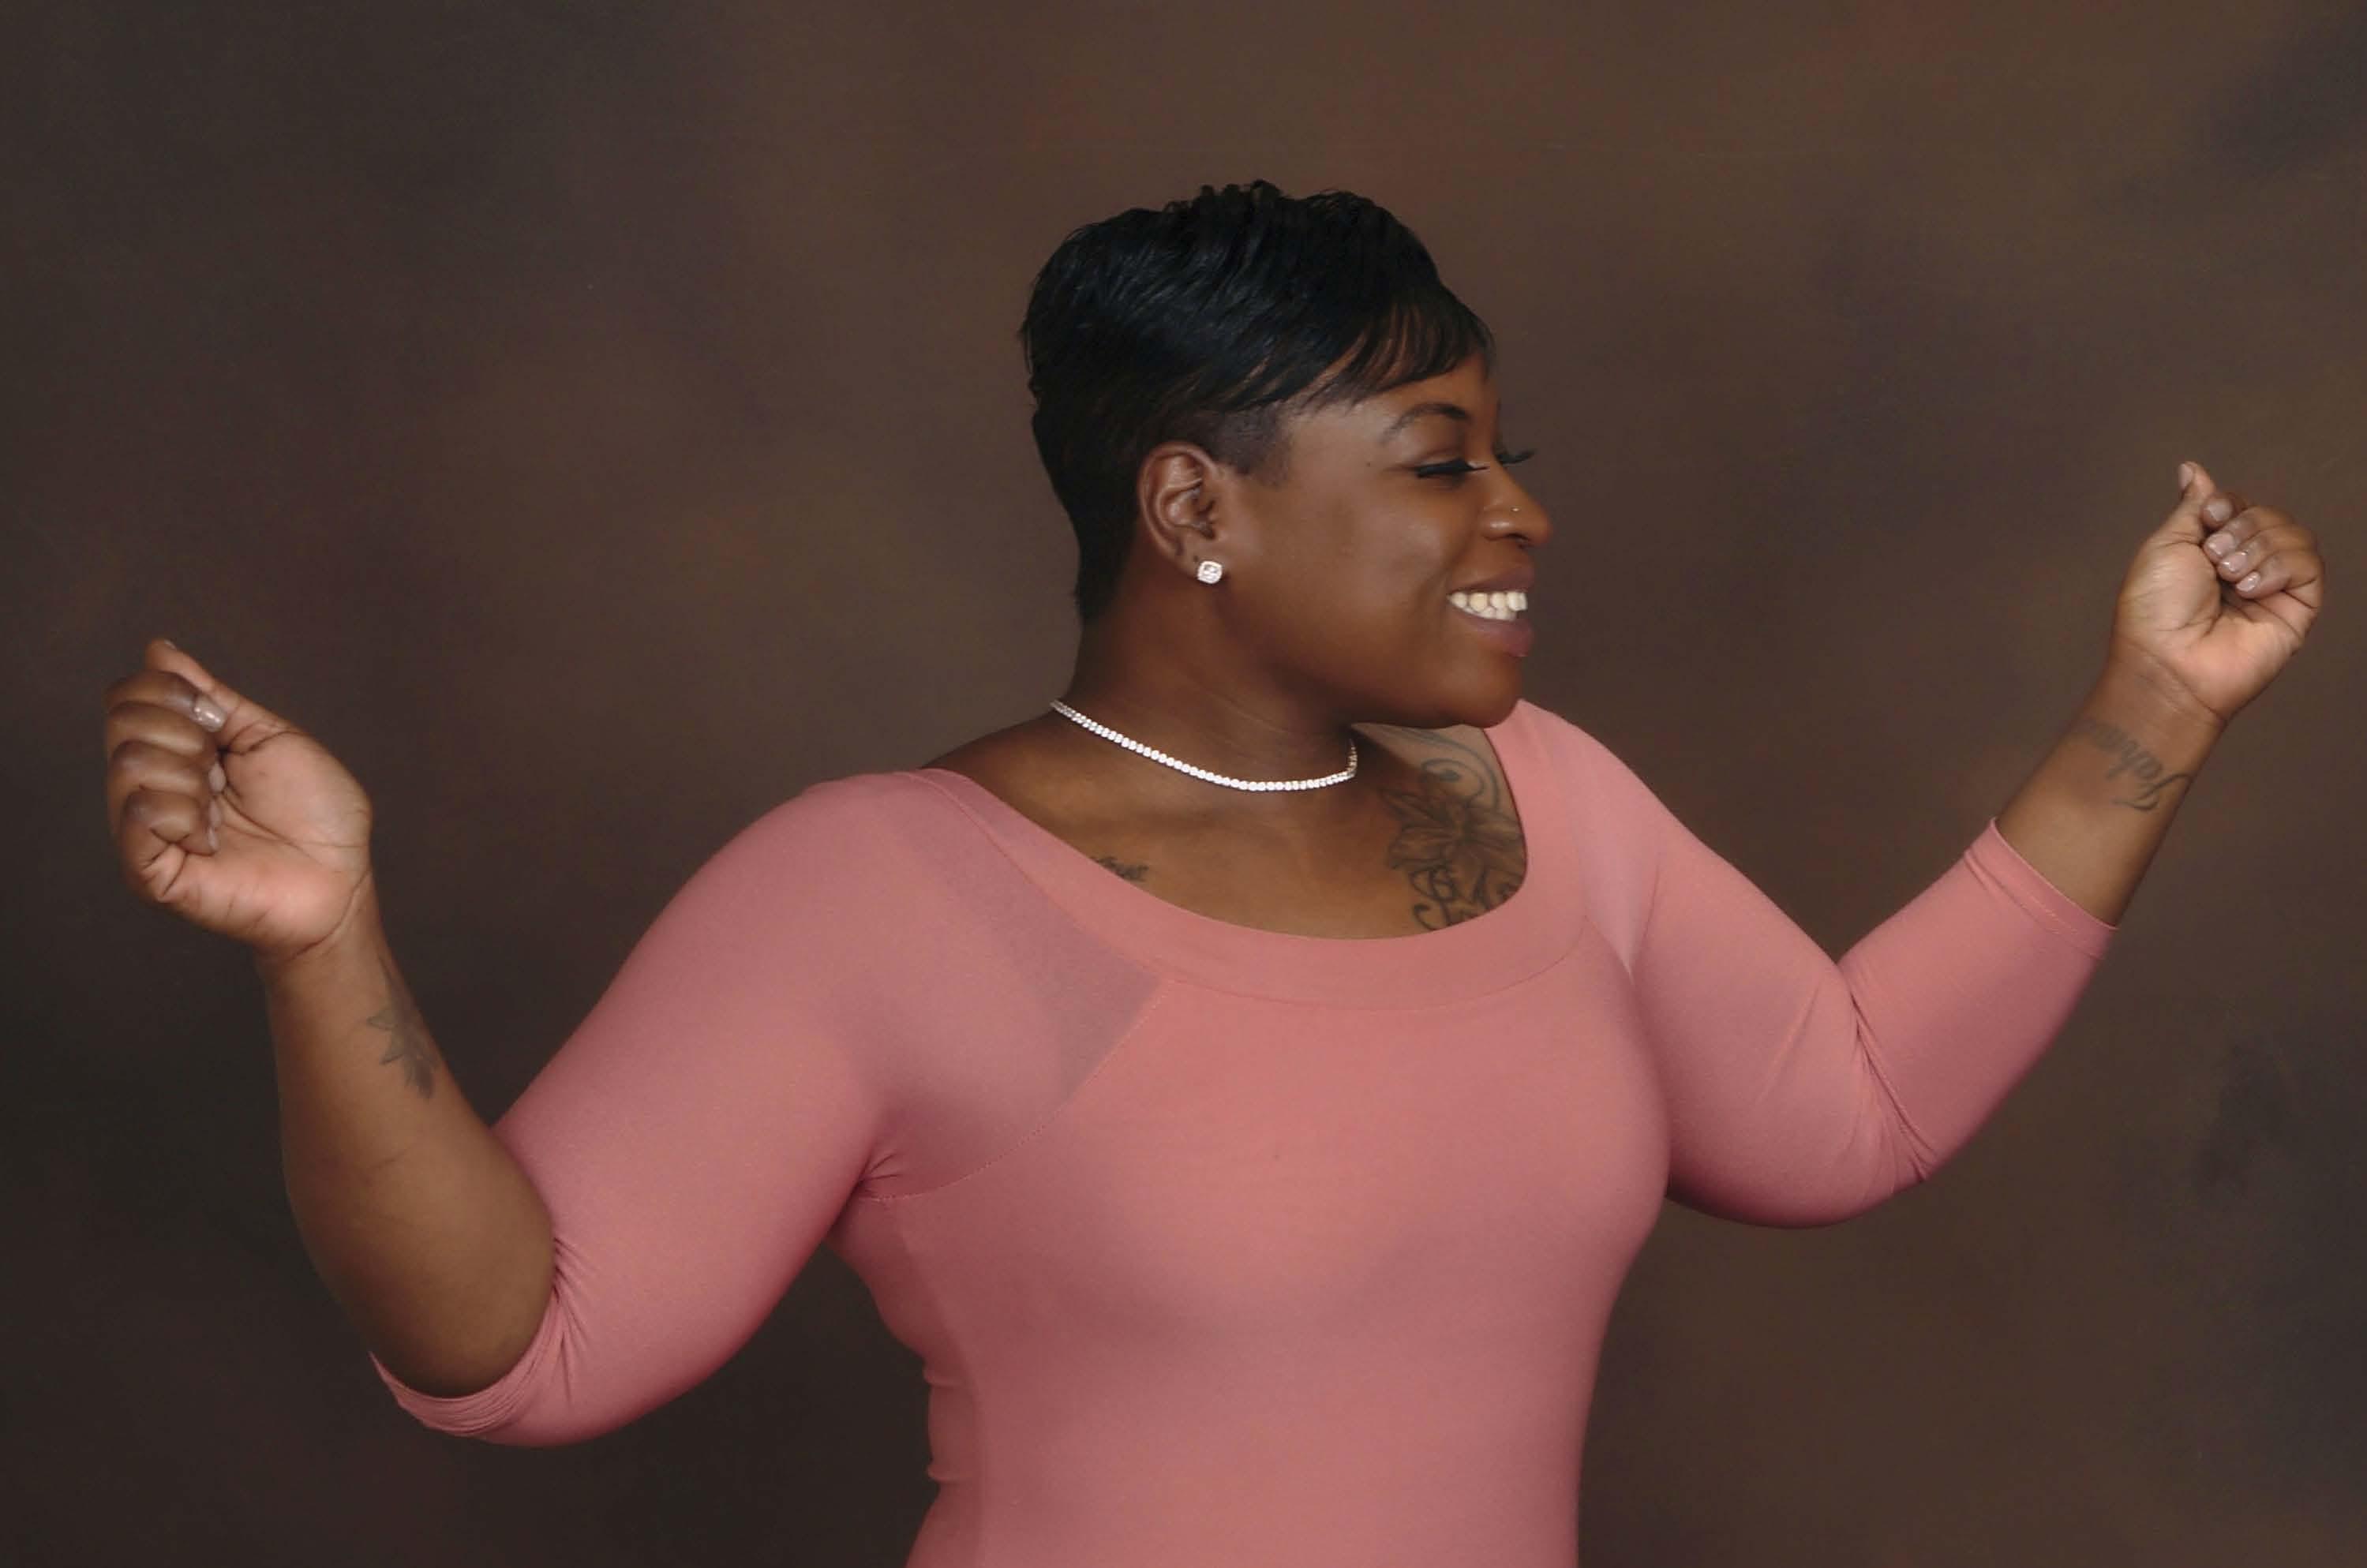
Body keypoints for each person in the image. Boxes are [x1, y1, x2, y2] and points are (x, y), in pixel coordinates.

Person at [100, 181, 2324, 1566]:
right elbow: (526, 1343)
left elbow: (1847, 1104)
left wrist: (2156, 710)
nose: (1521, 520)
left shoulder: (1555, 802)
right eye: (1440, 465)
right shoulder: (883, 893)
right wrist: (326, 944)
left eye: (1509, 457)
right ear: (1193, 511)